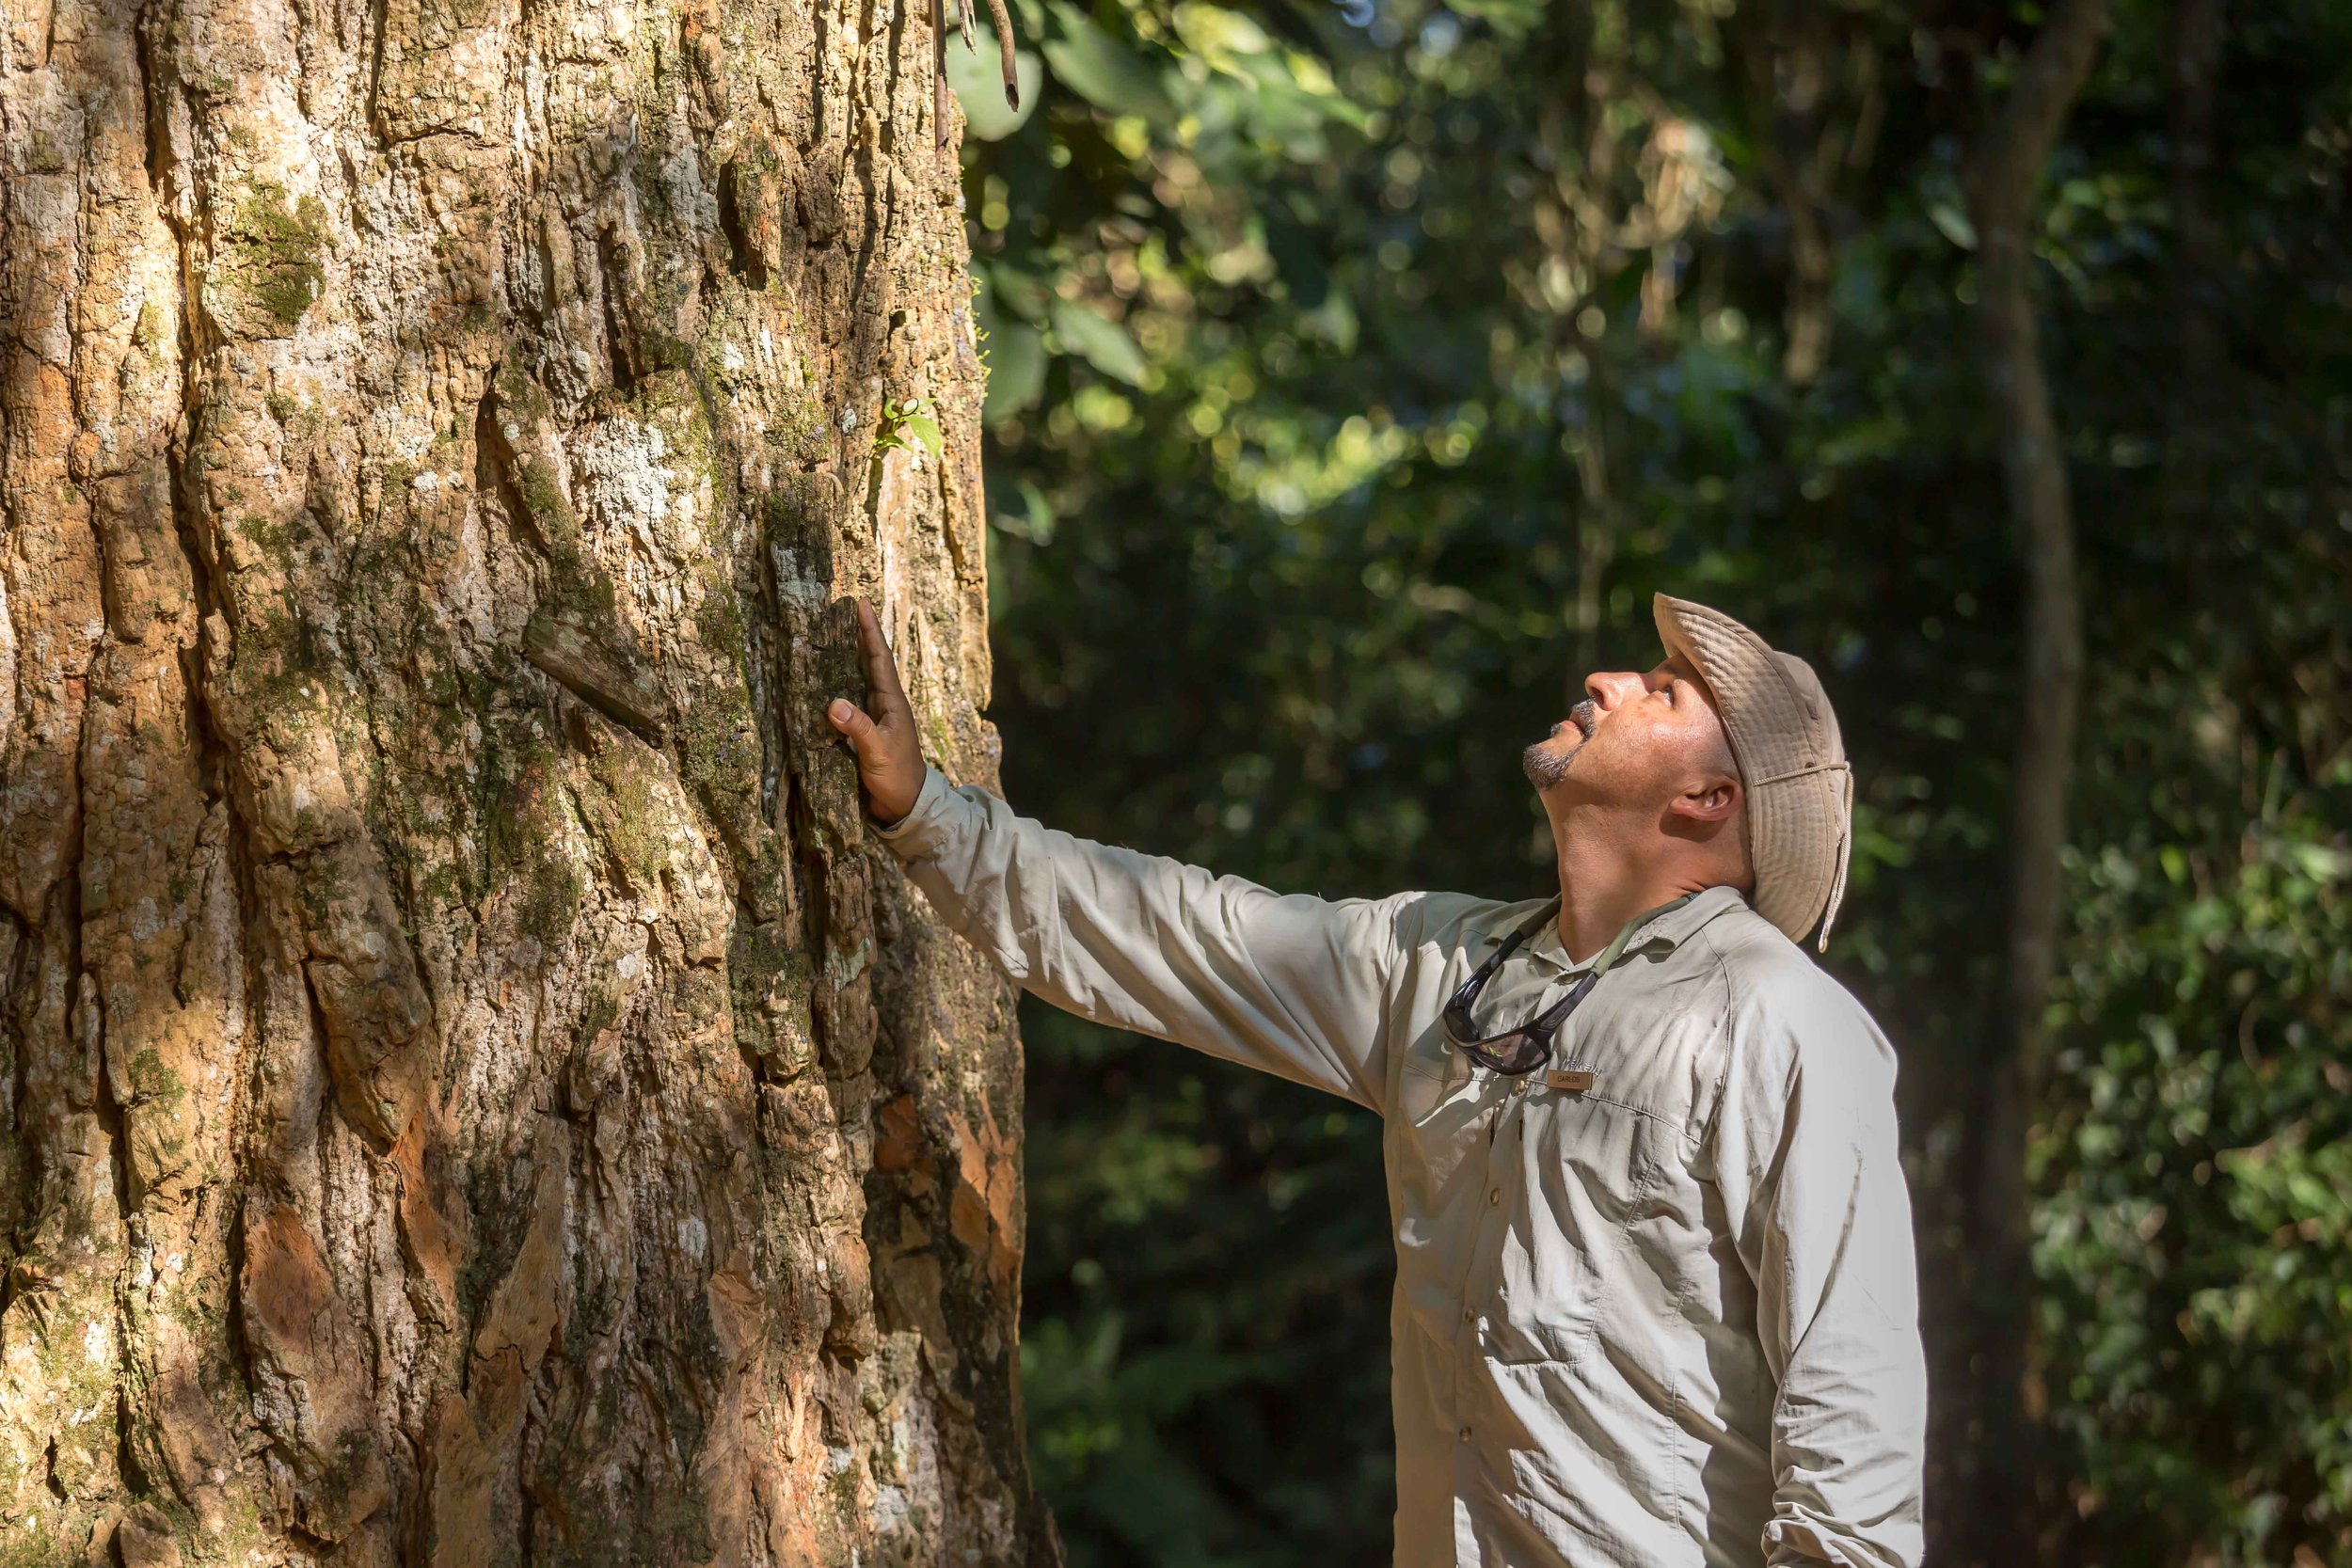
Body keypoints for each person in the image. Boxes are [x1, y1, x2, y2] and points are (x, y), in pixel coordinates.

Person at [827, 592, 1926, 1568]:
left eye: (1662, 691)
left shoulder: (1784, 1022)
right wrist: (928, 813)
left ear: (1707, 799)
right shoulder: (1445, 965)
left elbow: (1854, 1426)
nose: (1605, 680)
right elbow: (1185, 938)